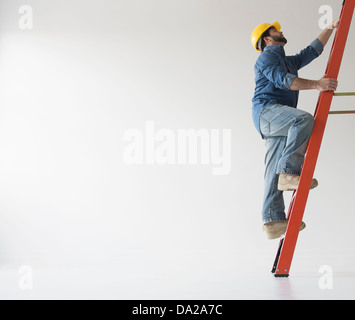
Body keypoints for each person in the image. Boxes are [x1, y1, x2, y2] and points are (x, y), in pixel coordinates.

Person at [251, 19, 340, 240]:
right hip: (268, 113)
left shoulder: (286, 61)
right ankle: (290, 172)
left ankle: (272, 220)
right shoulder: (269, 56)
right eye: (275, 30)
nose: (281, 30)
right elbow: (284, 81)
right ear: (267, 39)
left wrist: (330, 28)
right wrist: (318, 84)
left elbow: (311, 52)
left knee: (273, 171)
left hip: (274, 119)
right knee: (303, 120)